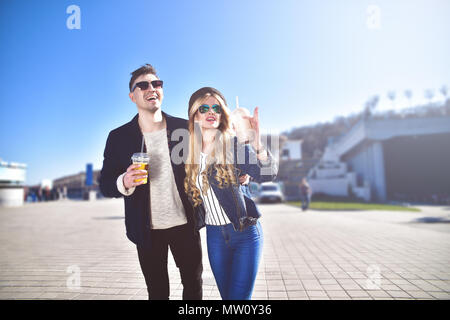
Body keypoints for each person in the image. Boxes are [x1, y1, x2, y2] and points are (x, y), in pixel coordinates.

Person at [99, 64, 203, 300]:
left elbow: (208, 162)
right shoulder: (118, 137)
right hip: (146, 230)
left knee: (193, 285)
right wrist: (124, 180)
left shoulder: (184, 129)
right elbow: (105, 183)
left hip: (185, 224)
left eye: (156, 84)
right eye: (143, 85)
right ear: (132, 96)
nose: (152, 88)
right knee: (157, 292)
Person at [184, 87, 278, 300]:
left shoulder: (233, 145)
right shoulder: (188, 154)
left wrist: (256, 143)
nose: (211, 112)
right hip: (214, 237)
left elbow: (268, 173)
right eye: (204, 108)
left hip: (245, 233)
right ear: (194, 116)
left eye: (216, 108)